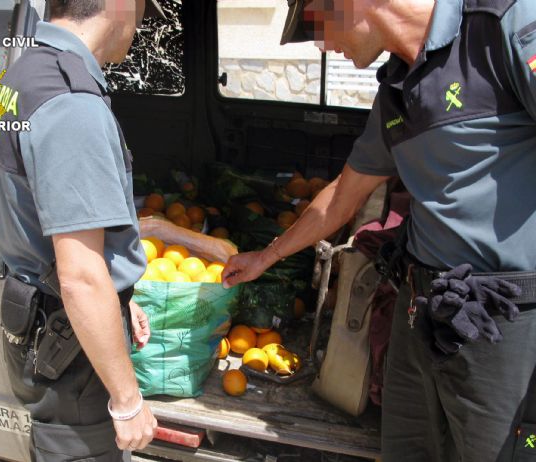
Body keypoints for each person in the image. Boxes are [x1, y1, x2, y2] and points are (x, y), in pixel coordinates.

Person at [223, 0, 536, 460]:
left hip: (505, 316)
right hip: (422, 308)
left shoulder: (499, 24)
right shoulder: (395, 90)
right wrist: (266, 256)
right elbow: (342, 195)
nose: (325, 45)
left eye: (319, 25)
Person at [0, 0, 165, 460]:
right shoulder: (70, 102)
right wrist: (127, 402)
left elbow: (33, 219)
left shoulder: (20, 76)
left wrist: (119, 302)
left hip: (44, 322)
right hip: (70, 350)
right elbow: (81, 276)